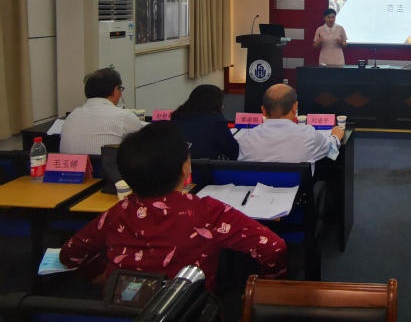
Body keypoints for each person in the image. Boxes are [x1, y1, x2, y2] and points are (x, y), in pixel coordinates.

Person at [59, 121, 286, 290]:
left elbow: (69, 255)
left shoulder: (117, 214)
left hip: (126, 312)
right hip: (190, 312)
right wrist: (263, 285)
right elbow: (274, 247)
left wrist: (104, 277)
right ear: (185, 169)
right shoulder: (208, 212)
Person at [238, 84, 344, 173]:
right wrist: (336, 135)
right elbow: (331, 148)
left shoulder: (246, 138)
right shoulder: (309, 135)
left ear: (263, 110)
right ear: (295, 107)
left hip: (254, 191)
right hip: (297, 191)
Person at [60, 68, 142, 155]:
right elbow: (144, 148)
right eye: (120, 89)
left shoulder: (72, 116)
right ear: (115, 90)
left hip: (71, 164)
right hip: (108, 164)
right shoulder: (125, 116)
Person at [171, 84, 239, 160]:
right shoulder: (216, 121)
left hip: (176, 164)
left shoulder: (177, 116)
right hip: (204, 166)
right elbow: (234, 152)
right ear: (215, 104)